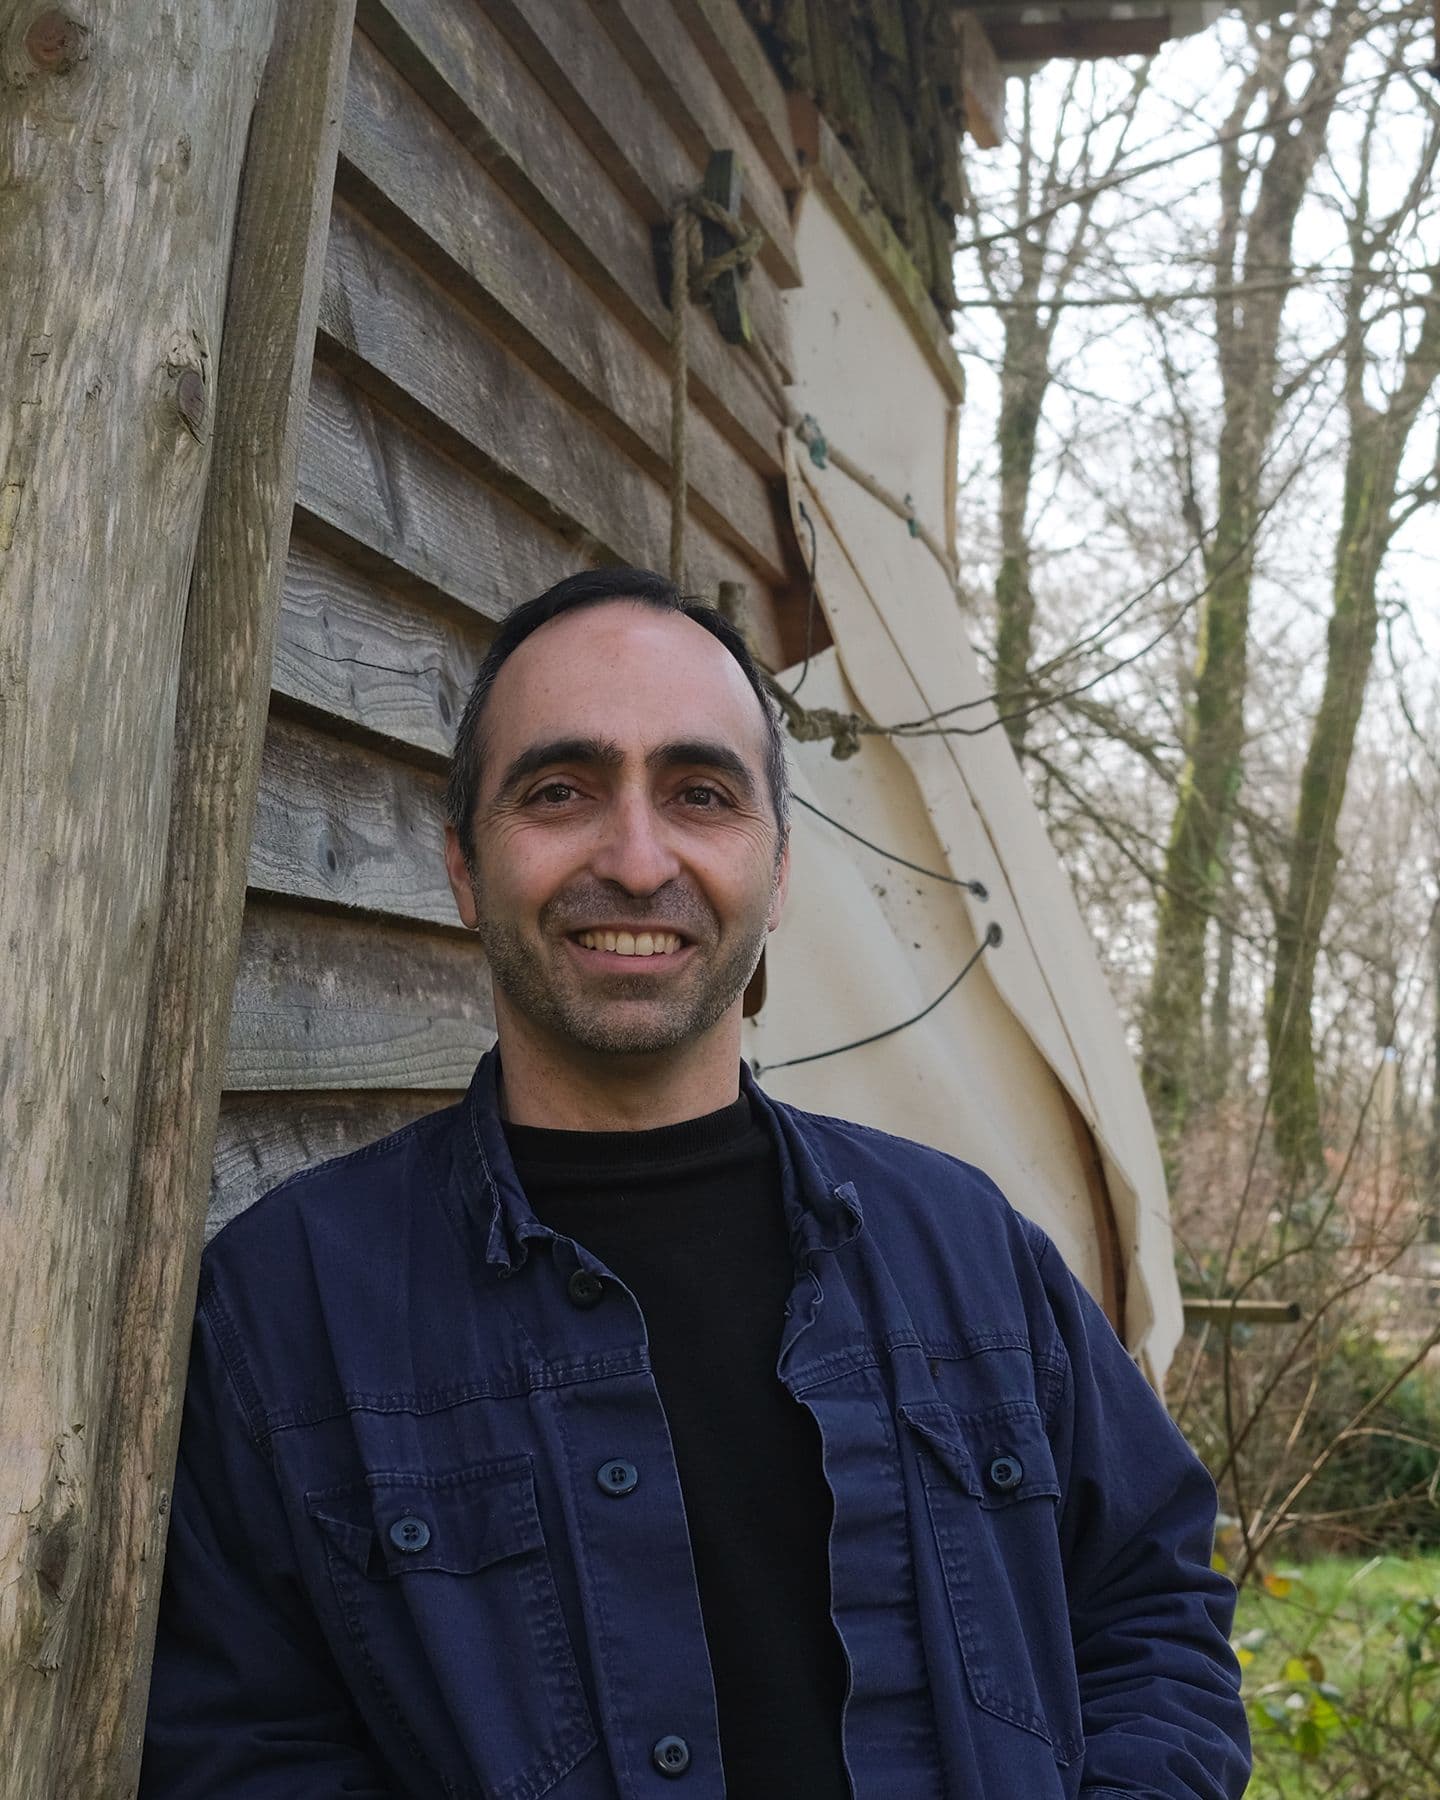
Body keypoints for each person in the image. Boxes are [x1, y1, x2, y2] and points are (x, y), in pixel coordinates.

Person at [142, 566, 1251, 1799]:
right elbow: (236, 1750)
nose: (633, 855)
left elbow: (1151, 1615)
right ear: (464, 866)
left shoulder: (972, 1254)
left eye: (699, 794)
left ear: (778, 870)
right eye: (561, 790)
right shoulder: (286, 1312)